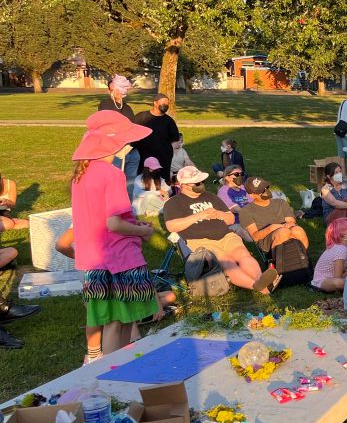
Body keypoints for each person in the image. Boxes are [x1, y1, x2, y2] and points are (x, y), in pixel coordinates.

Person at [70, 111, 161, 362]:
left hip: (94, 260)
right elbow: (113, 223)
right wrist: (142, 230)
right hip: (119, 258)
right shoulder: (112, 174)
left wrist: (132, 222)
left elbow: (100, 217)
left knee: (113, 319)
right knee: (121, 321)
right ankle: (112, 374)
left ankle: (113, 371)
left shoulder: (81, 175)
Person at [163, 166, 279, 293]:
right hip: (201, 241)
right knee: (227, 262)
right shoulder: (173, 203)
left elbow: (230, 219)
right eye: (197, 182)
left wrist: (219, 214)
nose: (201, 184)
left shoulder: (211, 197)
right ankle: (257, 286)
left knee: (243, 254)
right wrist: (201, 215)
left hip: (225, 235)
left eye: (202, 181)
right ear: (183, 185)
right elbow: (171, 226)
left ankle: (260, 280)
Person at [240, 176, 309, 256]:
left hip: (286, 229)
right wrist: (271, 228)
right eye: (261, 191)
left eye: (266, 187)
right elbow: (255, 237)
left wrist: (288, 225)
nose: (266, 191)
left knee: (298, 230)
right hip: (266, 239)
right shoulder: (246, 211)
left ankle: (304, 260)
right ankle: (281, 264)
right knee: (283, 233)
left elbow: (291, 222)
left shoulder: (280, 202)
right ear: (252, 195)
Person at [97, 75, 141, 196]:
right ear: (109, 91)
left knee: (129, 183)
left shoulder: (127, 107)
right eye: (114, 90)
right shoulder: (105, 104)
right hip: (115, 153)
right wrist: (117, 102)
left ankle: (127, 210)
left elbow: (132, 125)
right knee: (114, 183)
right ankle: (114, 211)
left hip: (131, 151)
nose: (117, 93)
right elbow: (113, 121)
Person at [133, 93, 181, 182]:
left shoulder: (169, 121)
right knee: (142, 180)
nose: (165, 106)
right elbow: (132, 132)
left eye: (167, 104)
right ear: (155, 103)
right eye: (163, 104)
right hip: (143, 156)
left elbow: (175, 140)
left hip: (163, 158)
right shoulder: (141, 117)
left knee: (162, 181)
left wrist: (171, 154)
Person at [311, 217, 347, 292]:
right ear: (341, 235)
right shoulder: (340, 249)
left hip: (341, 275)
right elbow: (338, 277)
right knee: (340, 282)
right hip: (324, 280)